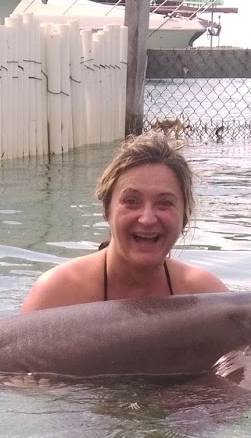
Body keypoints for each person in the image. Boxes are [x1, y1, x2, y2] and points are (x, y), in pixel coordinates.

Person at [20, 130, 228, 312]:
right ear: (106, 210)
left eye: (164, 203)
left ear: (185, 216)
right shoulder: (56, 296)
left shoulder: (207, 298)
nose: (147, 219)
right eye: (131, 201)